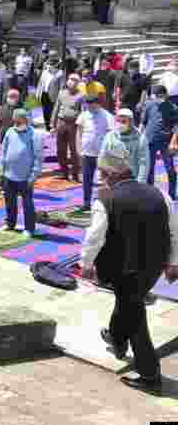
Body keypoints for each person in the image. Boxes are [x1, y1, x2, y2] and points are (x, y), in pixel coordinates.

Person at [80, 141, 178, 394]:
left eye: (103, 174)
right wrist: (173, 262)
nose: (101, 179)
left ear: (112, 174)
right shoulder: (160, 195)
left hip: (122, 268)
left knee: (134, 316)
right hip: (152, 266)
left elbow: (94, 237)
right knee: (127, 302)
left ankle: (150, 375)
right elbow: (174, 231)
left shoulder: (106, 199)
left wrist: (86, 264)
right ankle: (116, 337)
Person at [0, 108, 43, 237]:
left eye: (19, 122)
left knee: (27, 203)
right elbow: (3, 151)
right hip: (9, 175)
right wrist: (1, 168)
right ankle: (10, 223)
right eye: (15, 121)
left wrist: (33, 175)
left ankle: (29, 228)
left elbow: (39, 157)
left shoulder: (34, 135)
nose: (16, 124)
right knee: (9, 201)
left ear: (25, 120)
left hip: (25, 177)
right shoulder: (10, 131)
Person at [77, 94, 114, 210]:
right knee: (86, 179)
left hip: (101, 153)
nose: (89, 107)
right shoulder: (84, 115)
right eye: (88, 105)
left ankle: (105, 202)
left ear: (98, 104)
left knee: (104, 179)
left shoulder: (107, 116)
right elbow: (79, 132)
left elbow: (111, 134)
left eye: (91, 105)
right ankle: (86, 202)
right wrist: (78, 148)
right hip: (87, 152)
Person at [143, 85, 178, 195]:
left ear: (165, 95)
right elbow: (144, 122)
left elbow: (177, 126)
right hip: (150, 141)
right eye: (156, 96)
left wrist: (173, 142)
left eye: (160, 95)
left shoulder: (173, 108)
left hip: (166, 142)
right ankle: (150, 193)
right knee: (149, 169)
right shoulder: (149, 105)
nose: (158, 98)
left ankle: (171, 194)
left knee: (170, 168)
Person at [50, 72, 84, 183]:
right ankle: (64, 172)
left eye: (74, 80)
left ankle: (75, 174)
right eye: (70, 79)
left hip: (73, 124)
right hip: (61, 123)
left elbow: (82, 112)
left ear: (78, 83)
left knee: (74, 150)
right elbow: (56, 108)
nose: (71, 82)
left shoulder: (81, 96)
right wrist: (52, 124)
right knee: (60, 149)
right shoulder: (61, 93)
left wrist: (81, 127)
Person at [101, 108, 149, 185]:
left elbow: (143, 163)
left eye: (123, 121)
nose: (120, 124)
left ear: (131, 122)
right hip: (113, 180)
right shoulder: (110, 136)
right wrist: (105, 178)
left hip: (133, 180)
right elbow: (103, 156)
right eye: (118, 121)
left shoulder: (140, 139)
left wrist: (140, 182)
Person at [115, 60, 149, 128]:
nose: (132, 70)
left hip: (135, 104)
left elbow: (144, 91)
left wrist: (141, 103)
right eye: (131, 68)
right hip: (124, 103)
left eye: (134, 69)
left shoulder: (142, 78)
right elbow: (119, 88)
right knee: (122, 121)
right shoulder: (123, 76)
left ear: (138, 69)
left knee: (135, 122)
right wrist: (118, 101)